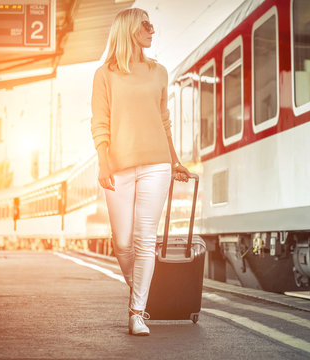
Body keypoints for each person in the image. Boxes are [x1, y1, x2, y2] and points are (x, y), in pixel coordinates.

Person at [90, 7, 190, 336]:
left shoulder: (158, 71)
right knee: (122, 242)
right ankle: (139, 292)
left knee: (145, 240)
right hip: (118, 166)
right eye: (145, 25)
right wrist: (104, 161)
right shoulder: (105, 74)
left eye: (151, 24)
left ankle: (137, 312)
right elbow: (100, 122)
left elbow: (164, 120)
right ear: (129, 30)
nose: (152, 30)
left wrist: (174, 160)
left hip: (157, 164)